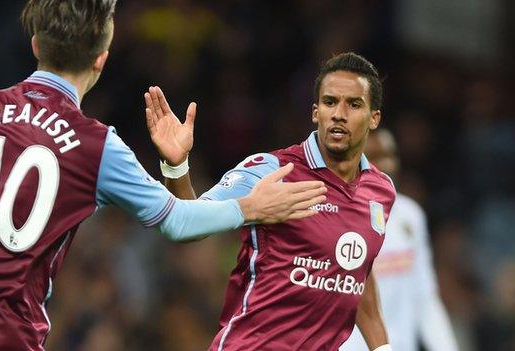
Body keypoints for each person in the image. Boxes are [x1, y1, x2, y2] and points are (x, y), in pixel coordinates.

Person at [0, 1, 328, 350]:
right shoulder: (97, 146)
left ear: (36, 46)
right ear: (101, 59)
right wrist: (250, 207)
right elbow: (176, 222)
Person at [144, 52, 396, 350]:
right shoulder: (272, 170)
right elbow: (186, 221)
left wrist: (382, 347)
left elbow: (357, 269)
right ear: (316, 112)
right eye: (330, 102)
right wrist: (176, 166)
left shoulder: (381, 190)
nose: (339, 114)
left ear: (374, 117)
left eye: (353, 104)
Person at [340, 129, 459, 351]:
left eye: (388, 155)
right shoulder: (334, 219)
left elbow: (424, 295)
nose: (383, 164)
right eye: (372, 156)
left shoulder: (410, 216)